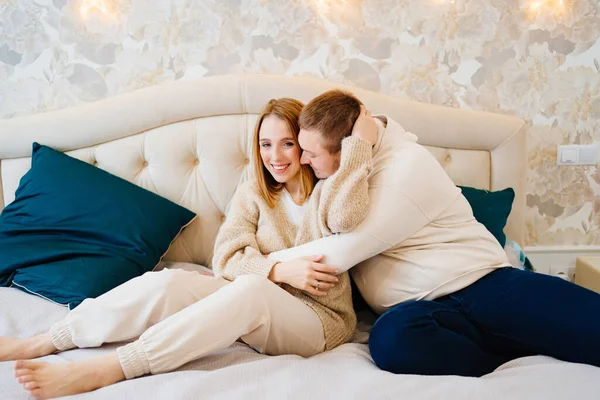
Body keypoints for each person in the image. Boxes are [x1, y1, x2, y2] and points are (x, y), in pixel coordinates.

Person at [2, 98, 378, 399]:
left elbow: (347, 219)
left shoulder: (329, 188)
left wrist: (359, 144)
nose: (275, 156)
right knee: (171, 281)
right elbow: (225, 258)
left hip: (318, 322)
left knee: (250, 289)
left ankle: (114, 366)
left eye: (287, 143)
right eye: (265, 144)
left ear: (306, 144)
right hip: (256, 302)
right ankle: (48, 339)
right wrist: (279, 270)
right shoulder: (254, 194)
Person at [268, 89, 600, 377]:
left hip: (483, 286)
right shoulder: (344, 178)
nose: (302, 160)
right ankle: (508, 354)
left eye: (311, 154)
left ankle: (522, 338)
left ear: (350, 148)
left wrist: (262, 265)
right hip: (425, 312)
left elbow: (341, 251)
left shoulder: (407, 167)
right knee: (392, 340)